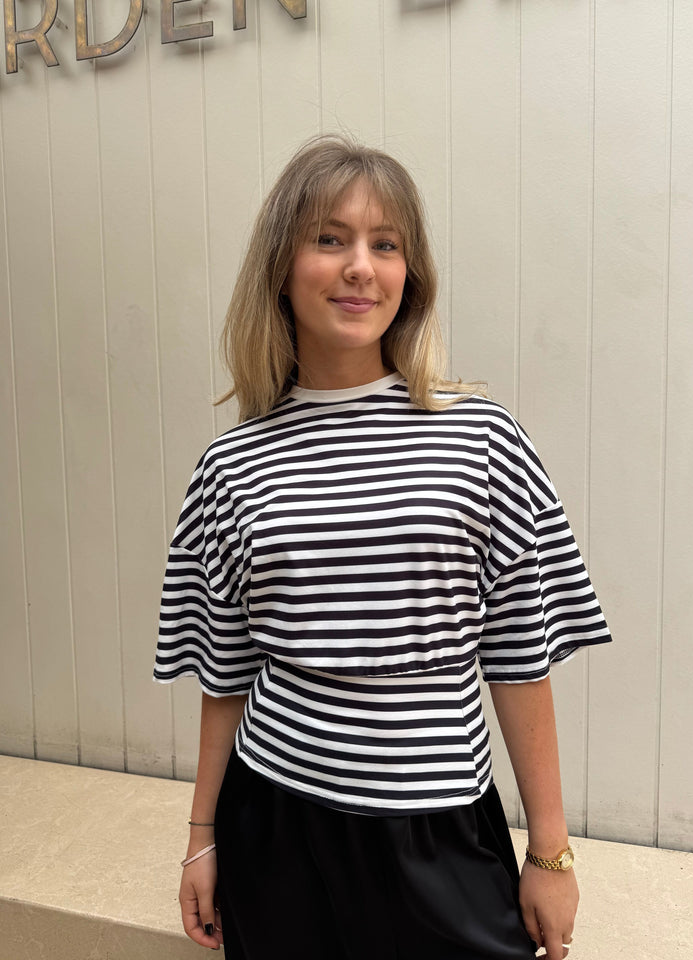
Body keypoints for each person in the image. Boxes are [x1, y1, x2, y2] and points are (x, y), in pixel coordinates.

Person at [154, 135, 612, 960]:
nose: (361, 266)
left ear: (411, 274)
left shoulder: (481, 440)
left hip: (439, 828)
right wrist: (201, 835)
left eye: (385, 243)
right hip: (275, 825)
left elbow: (518, 654)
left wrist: (550, 851)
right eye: (330, 238)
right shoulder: (231, 467)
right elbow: (226, 673)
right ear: (282, 268)